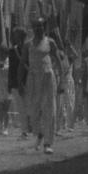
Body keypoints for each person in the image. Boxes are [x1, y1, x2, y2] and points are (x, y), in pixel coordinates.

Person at [25, 18, 59, 154]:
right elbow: (22, 63)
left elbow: (58, 60)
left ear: (44, 27)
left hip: (47, 77)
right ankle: (39, 133)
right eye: (36, 26)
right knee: (33, 110)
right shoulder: (28, 44)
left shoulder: (50, 42)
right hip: (33, 79)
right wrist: (20, 82)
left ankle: (48, 143)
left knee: (49, 109)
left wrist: (61, 79)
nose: (38, 28)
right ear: (33, 28)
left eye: (41, 26)